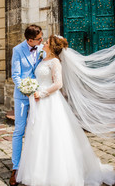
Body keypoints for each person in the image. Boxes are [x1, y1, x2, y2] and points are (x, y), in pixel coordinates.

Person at [16, 35, 115, 186]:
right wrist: (31, 87)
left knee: (53, 135)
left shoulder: (55, 62)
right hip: (39, 102)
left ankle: (57, 172)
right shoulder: (43, 58)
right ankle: (39, 170)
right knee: (39, 135)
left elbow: (58, 84)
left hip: (50, 101)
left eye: (47, 42)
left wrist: (41, 93)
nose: (43, 43)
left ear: (52, 46)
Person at [10, 25, 44, 186]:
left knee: (37, 129)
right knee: (19, 130)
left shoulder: (43, 48)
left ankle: (36, 164)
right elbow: (15, 75)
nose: (41, 40)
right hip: (22, 96)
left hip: (39, 96)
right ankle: (16, 168)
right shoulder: (17, 50)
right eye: (38, 38)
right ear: (29, 40)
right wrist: (25, 89)